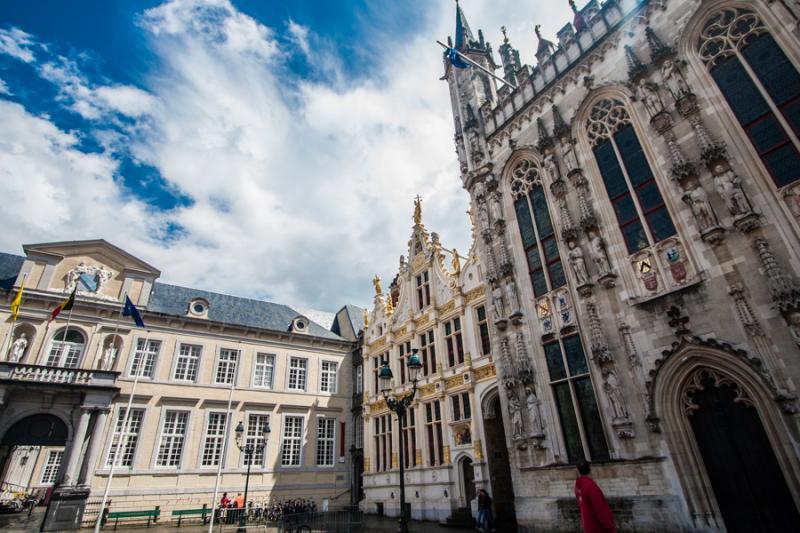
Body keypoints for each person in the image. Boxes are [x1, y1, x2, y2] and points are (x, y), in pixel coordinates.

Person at [575, 461, 615, 533]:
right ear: (590, 470)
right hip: (598, 527)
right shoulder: (591, 487)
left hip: (588, 526)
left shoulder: (578, 487)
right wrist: (610, 527)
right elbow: (600, 509)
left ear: (578, 471)